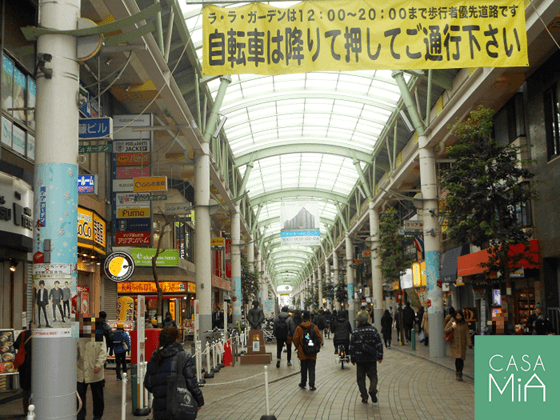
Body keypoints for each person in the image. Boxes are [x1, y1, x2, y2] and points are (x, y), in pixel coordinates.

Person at [144, 326, 204, 418]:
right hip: (180, 407)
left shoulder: (154, 359)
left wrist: (160, 391)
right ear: (177, 339)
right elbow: (192, 383)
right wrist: (199, 401)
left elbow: (148, 384)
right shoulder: (184, 357)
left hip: (159, 410)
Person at [350, 311, 383, 404]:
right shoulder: (373, 330)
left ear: (358, 321)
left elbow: (352, 346)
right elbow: (379, 344)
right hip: (371, 358)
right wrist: (380, 356)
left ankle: (364, 396)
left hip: (360, 359)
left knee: (360, 379)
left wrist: (352, 358)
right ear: (367, 320)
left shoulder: (355, 331)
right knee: (373, 376)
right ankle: (372, 389)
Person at [77, 328, 107, 420]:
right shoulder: (77, 336)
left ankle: (97, 417)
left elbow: (103, 352)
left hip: (96, 372)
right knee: (79, 399)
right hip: (80, 372)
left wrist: (98, 364)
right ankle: (80, 417)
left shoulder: (99, 335)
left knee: (98, 397)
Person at [293, 310, 322, 391]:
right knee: (312, 368)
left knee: (303, 368)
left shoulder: (299, 327)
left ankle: (303, 383)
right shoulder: (314, 327)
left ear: (303, 317)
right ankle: (312, 385)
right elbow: (319, 338)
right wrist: (316, 346)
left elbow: (295, 339)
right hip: (312, 352)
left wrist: (298, 347)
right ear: (310, 317)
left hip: (302, 352)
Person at [444, 309, 472, 381]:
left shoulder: (464, 323)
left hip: (462, 344)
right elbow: (446, 330)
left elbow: (467, 333)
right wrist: (452, 328)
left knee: (461, 359)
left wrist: (469, 343)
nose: (458, 317)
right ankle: (457, 373)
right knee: (457, 359)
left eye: (459, 315)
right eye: (457, 315)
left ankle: (460, 372)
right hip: (455, 343)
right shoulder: (453, 322)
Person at [14, 325, 32, 414]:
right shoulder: (41, 334)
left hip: (24, 365)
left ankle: (26, 411)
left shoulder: (24, 334)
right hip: (37, 366)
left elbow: (16, 345)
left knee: (26, 390)